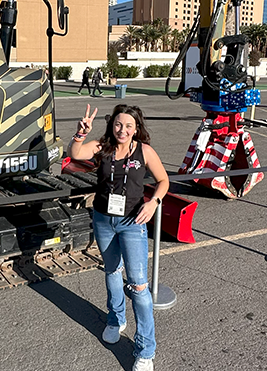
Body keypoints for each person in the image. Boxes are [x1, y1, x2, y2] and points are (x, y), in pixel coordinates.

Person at [68, 104, 169, 371]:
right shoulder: (103, 146)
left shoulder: (144, 151)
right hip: (103, 220)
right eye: (117, 124)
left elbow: (163, 181)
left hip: (132, 222)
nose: (121, 130)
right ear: (111, 125)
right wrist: (80, 133)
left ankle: (146, 350)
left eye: (128, 126)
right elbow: (75, 154)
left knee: (138, 286)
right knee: (112, 271)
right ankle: (116, 319)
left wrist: (153, 202)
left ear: (136, 129)